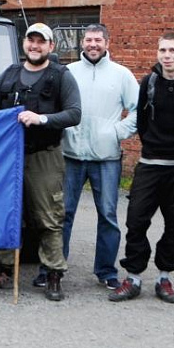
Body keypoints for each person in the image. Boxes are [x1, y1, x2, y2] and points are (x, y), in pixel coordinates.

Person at [0, 23, 81, 301]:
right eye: (31, 41)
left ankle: (53, 273)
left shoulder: (60, 76)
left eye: (41, 42)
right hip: (9, 158)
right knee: (7, 214)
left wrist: (41, 118)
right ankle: (3, 270)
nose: (35, 46)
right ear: (24, 44)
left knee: (48, 217)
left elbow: (74, 114)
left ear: (50, 47)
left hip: (44, 156)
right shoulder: (9, 75)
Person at [108, 32, 174, 304]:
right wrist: (154, 146)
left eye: (172, 51)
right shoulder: (149, 82)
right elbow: (142, 122)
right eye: (162, 50)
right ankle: (133, 277)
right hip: (151, 164)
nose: (167, 56)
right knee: (136, 220)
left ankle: (164, 277)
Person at [58, 23, 138, 290]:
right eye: (89, 40)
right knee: (63, 213)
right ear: (82, 43)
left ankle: (106, 270)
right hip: (71, 155)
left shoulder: (121, 75)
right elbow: (56, 107)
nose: (93, 44)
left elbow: (138, 110)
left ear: (107, 42)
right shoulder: (68, 73)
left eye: (98, 40)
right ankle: (54, 267)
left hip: (106, 157)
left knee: (108, 214)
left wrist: (116, 132)